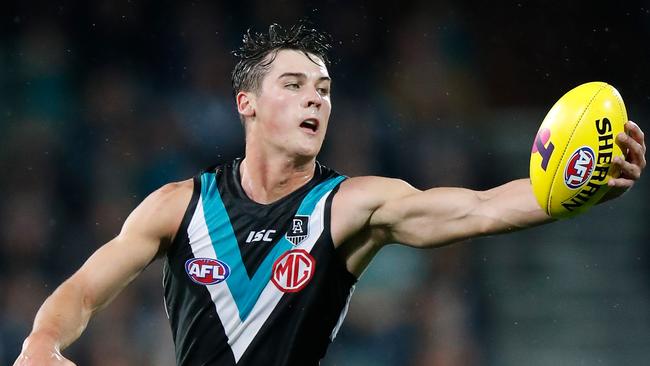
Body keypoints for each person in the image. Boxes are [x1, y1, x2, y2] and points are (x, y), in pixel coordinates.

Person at [14, 22, 646, 366]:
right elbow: (81, 293)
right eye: (294, 84)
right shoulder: (176, 205)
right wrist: (41, 343)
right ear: (248, 105)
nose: (317, 97)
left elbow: (480, 209)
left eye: (324, 87)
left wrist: (571, 191)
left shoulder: (351, 205)